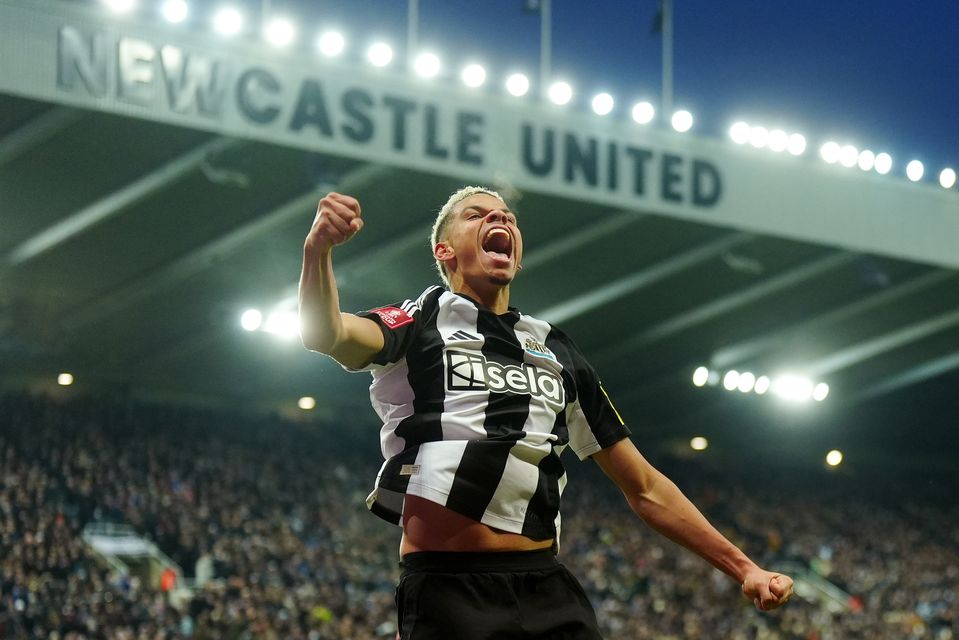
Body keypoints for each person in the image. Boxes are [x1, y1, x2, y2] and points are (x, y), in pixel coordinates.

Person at [299, 187, 794, 639]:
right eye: (477, 215)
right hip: (450, 591)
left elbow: (643, 485)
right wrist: (317, 250)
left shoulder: (555, 348)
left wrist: (744, 568)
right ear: (443, 251)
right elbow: (327, 335)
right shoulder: (418, 319)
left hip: (545, 587)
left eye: (509, 218)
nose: (499, 217)